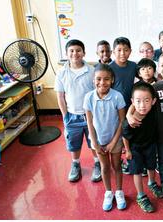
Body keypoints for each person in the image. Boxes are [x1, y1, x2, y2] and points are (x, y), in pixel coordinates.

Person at [55, 39, 101, 183]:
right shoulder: (62, 73)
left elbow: (96, 94)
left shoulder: (92, 71)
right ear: (67, 54)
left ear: (84, 53)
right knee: (73, 142)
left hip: (90, 116)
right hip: (72, 116)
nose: (75, 53)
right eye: (72, 51)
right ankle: (75, 164)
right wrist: (65, 116)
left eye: (78, 50)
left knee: (93, 140)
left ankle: (97, 163)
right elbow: (61, 96)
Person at [83, 64, 126, 211]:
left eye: (106, 79)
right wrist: (94, 143)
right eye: (99, 79)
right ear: (93, 80)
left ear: (112, 80)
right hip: (98, 140)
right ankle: (109, 192)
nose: (102, 82)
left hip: (115, 139)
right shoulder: (88, 97)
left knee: (116, 166)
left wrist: (113, 142)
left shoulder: (117, 96)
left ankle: (119, 191)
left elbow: (122, 121)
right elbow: (89, 122)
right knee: (105, 167)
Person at [122, 82, 163, 213]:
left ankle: (152, 183)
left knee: (152, 166)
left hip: (150, 145)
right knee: (137, 171)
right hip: (135, 149)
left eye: (146, 101)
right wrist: (128, 151)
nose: (142, 105)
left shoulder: (152, 111)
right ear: (132, 102)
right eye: (138, 101)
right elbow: (125, 136)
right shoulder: (130, 121)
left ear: (153, 101)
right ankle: (141, 195)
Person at [109, 37, 137, 174]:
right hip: (114, 109)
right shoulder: (109, 68)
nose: (122, 53)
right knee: (117, 134)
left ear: (130, 51)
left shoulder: (133, 66)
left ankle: (130, 160)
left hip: (131, 107)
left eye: (126, 50)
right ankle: (117, 160)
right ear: (113, 52)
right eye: (119, 50)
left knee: (129, 134)